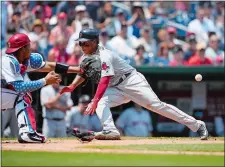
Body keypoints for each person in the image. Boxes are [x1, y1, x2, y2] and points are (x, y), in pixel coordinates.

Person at [60, 28, 209, 140]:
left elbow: (105, 80)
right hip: (117, 87)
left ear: (94, 42)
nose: (82, 46)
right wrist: (73, 86)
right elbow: (82, 72)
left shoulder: (104, 55)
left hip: (131, 81)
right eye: (80, 43)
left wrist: (95, 99)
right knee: (100, 102)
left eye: (84, 43)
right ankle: (110, 130)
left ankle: (197, 125)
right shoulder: (87, 56)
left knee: (157, 106)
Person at [1, 33, 85, 143]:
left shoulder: (23, 60)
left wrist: (78, 69)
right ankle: (27, 133)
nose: (30, 49)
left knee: (23, 96)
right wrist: (45, 81)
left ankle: (27, 132)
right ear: (22, 49)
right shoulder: (8, 61)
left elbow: (51, 66)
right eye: (28, 46)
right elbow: (19, 87)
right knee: (22, 95)